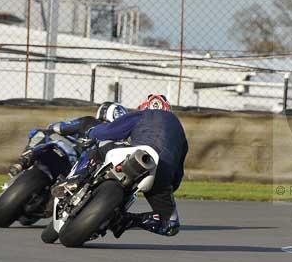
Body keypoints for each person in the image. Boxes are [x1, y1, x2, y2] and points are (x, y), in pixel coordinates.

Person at [87, 93, 189, 237]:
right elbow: (178, 174)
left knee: (101, 143)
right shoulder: (179, 130)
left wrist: (91, 132)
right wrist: (163, 190)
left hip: (134, 154)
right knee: (170, 226)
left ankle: (83, 177)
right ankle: (127, 220)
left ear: (144, 107)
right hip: (161, 172)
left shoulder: (142, 114)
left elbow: (109, 131)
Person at [10, 102, 127, 176]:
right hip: (83, 168)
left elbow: (59, 128)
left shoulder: (89, 121)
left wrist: (56, 127)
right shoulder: (118, 140)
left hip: (75, 160)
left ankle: (23, 160)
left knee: (41, 133)